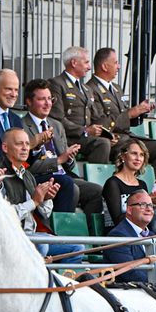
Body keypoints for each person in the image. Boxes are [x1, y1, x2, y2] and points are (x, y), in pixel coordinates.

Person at [0, 128, 81, 262]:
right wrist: (34, 202)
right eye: (19, 144)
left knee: (77, 247)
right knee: (41, 246)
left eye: (27, 144)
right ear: (5, 147)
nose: (25, 148)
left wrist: (45, 199)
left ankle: (63, 282)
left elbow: (45, 213)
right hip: (10, 237)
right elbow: (3, 217)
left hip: (33, 235)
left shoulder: (27, 174)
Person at [21, 78, 102, 215]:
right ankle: (62, 232)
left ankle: (89, 234)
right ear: (29, 102)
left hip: (64, 175)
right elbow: (28, 165)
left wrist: (69, 158)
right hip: (39, 178)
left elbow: (69, 164)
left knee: (96, 190)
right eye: (42, 99)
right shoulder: (21, 126)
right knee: (69, 186)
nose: (48, 104)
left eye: (50, 99)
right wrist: (58, 160)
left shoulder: (57, 125)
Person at [86, 47, 156, 163]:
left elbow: (125, 117)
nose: (118, 66)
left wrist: (140, 111)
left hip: (128, 138)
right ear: (104, 66)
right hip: (114, 142)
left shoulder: (117, 88)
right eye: (115, 63)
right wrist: (129, 114)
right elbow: (100, 124)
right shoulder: (90, 89)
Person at [49, 46, 112, 165]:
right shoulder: (57, 84)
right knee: (102, 143)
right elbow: (57, 118)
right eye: (86, 62)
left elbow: (96, 116)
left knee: (124, 144)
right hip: (69, 137)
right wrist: (85, 130)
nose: (89, 67)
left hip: (86, 137)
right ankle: (96, 181)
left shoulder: (86, 89)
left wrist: (108, 133)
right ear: (73, 62)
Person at [103, 190, 156, 285]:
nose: (149, 209)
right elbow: (130, 273)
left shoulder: (153, 235)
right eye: (143, 204)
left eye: (151, 205)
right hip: (134, 292)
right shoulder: (118, 235)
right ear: (129, 210)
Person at [103, 138, 151, 226]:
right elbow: (117, 219)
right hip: (119, 233)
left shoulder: (142, 184)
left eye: (141, 155)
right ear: (123, 156)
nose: (138, 158)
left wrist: (152, 205)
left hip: (140, 232)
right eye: (134, 154)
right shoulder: (112, 183)